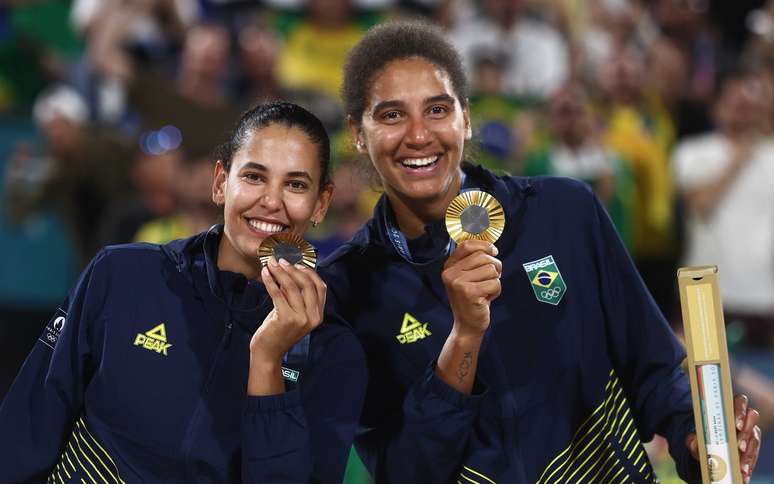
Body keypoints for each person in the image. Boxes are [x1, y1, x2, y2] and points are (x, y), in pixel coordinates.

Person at [319, 22, 762, 483]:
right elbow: (404, 471)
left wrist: (698, 438)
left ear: (465, 119)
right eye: (391, 115)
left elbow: (654, 367)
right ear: (358, 132)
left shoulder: (565, 211)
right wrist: (464, 339)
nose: (418, 135)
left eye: (437, 109)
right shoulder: (348, 290)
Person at [0, 101, 367, 482]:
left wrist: (267, 361)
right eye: (254, 177)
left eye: (295, 184)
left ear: (321, 203)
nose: (271, 201)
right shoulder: (122, 274)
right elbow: (28, 428)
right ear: (221, 182)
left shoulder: (333, 352)